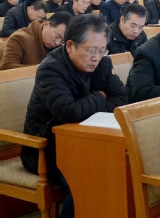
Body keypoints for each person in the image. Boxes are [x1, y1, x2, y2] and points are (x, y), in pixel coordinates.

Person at [21, 14, 128, 218]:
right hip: (48, 149)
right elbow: (69, 112)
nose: (96, 57)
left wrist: (90, 104)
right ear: (70, 45)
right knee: (86, 182)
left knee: (120, 172)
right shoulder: (50, 69)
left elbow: (121, 98)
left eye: (102, 50)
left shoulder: (103, 64)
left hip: (91, 143)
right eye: (90, 50)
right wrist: (100, 96)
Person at [0, 12, 72, 70]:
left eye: (62, 41)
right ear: (46, 24)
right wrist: (43, 68)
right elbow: (7, 66)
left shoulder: (62, 47)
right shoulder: (19, 38)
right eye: (57, 36)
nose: (57, 42)